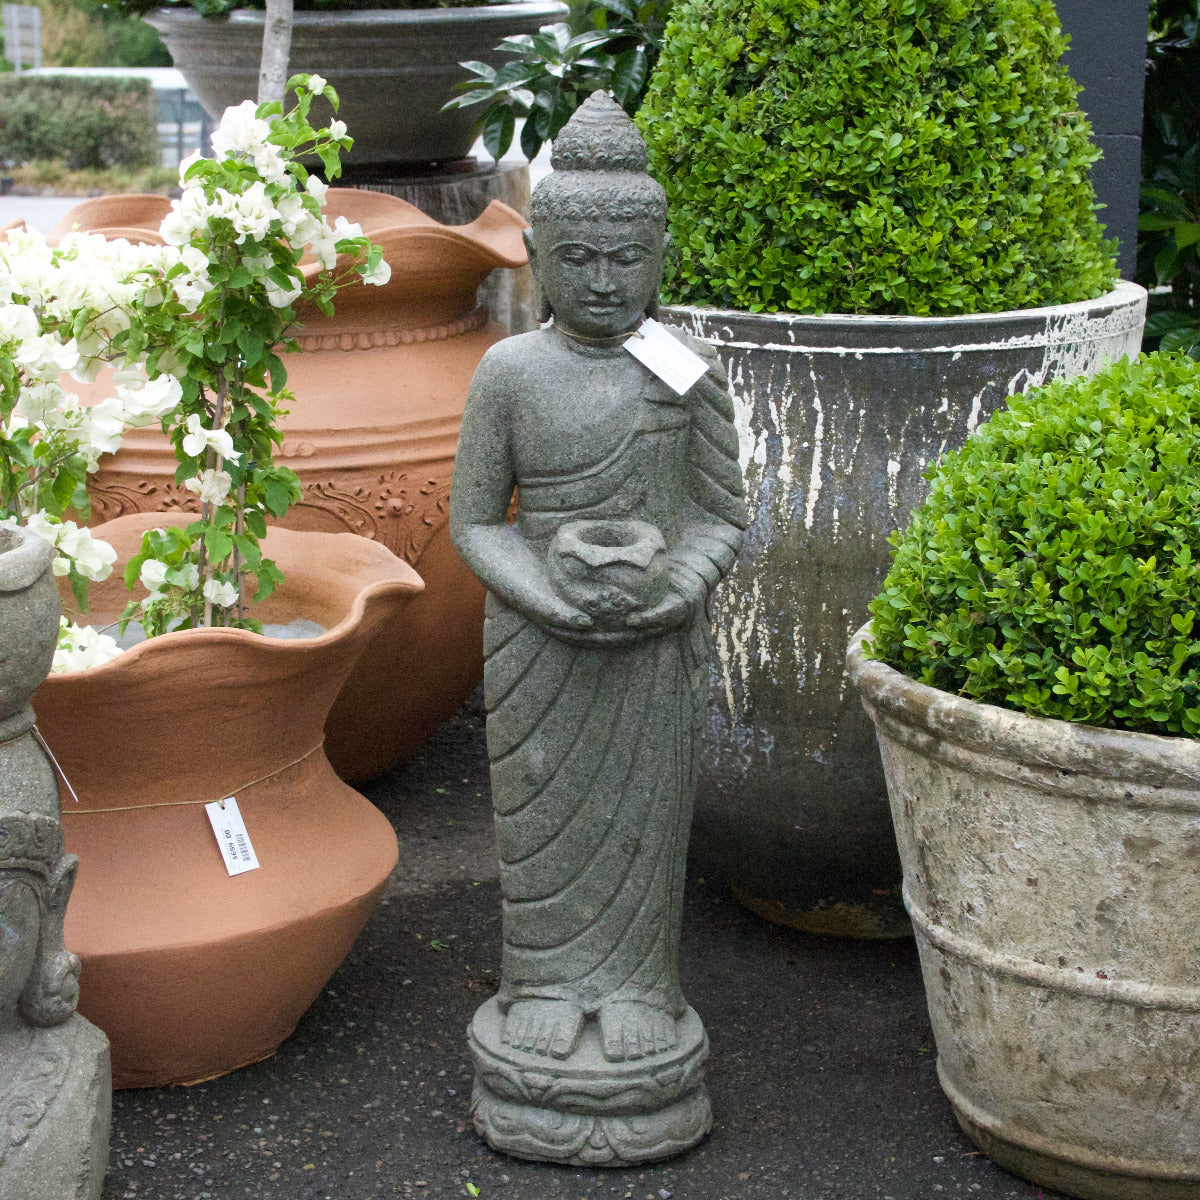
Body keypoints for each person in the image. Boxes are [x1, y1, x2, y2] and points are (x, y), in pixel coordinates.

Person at [450, 92, 747, 1074]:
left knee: (644, 821)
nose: (606, 282)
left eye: (627, 259)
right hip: (540, 643)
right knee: (538, 808)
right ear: (536, 254)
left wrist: (676, 591)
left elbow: (722, 512)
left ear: (660, 256)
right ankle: (541, 979)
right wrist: (547, 596)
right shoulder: (509, 372)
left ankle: (636, 984)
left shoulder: (683, 367)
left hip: (656, 640)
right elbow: (472, 523)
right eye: (579, 259)